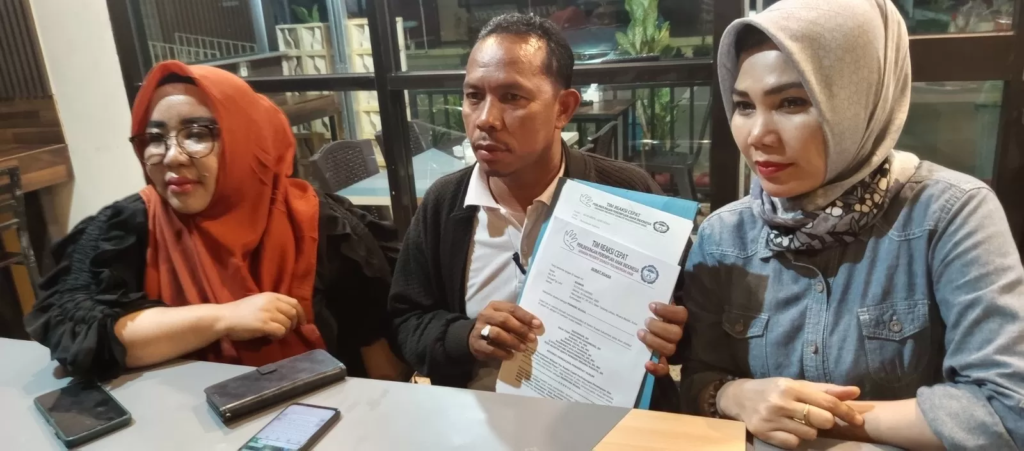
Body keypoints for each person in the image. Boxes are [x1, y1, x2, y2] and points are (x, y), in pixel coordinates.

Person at [680, 0, 1024, 449]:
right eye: (744, 105)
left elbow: (1005, 409)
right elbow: (698, 380)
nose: (758, 135)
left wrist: (810, 416)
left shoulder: (949, 214)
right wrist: (733, 395)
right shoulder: (724, 235)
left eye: (792, 102)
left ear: (860, 100)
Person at [25, 61, 407, 381]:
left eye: (196, 134)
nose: (172, 156)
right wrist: (223, 318)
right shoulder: (126, 226)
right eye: (155, 139)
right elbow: (73, 331)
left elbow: (380, 358)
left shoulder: (321, 224)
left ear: (247, 139)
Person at [388, 14, 688, 409]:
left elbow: (690, 321)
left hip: (606, 419)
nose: (485, 119)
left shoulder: (629, 194)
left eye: (512, 97)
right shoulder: (445, 204)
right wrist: (467, 337)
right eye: (474, 96)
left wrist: (675, 335)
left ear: (563, 108)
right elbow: (406, 320)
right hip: (480, 419)